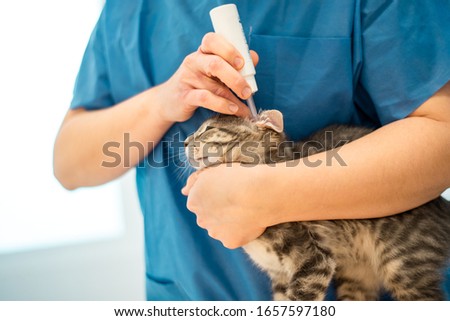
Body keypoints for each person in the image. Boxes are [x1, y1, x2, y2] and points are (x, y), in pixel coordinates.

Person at [53, 0, 450, 300]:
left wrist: (270, 195)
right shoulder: (127, 9)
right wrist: (164, 101)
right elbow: (69, 164)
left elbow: (442, 137)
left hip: (358, 286)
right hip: (182, 296)